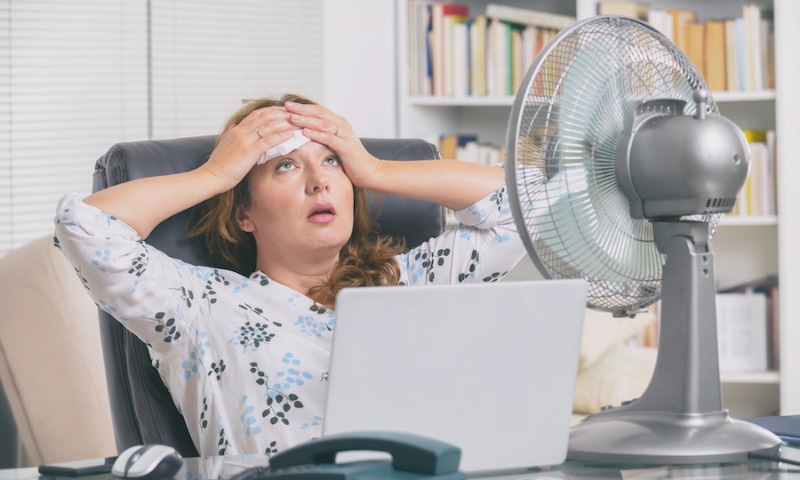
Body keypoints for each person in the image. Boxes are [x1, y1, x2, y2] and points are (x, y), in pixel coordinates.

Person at [54, 94, 525, 457]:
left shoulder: (407, 281)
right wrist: (217, 174)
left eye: (331, 162)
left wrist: (373, 167)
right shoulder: (198, 307)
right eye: (285, 165)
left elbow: (529, 209)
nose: (319, 181)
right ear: (244, 214)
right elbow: (85, 229)